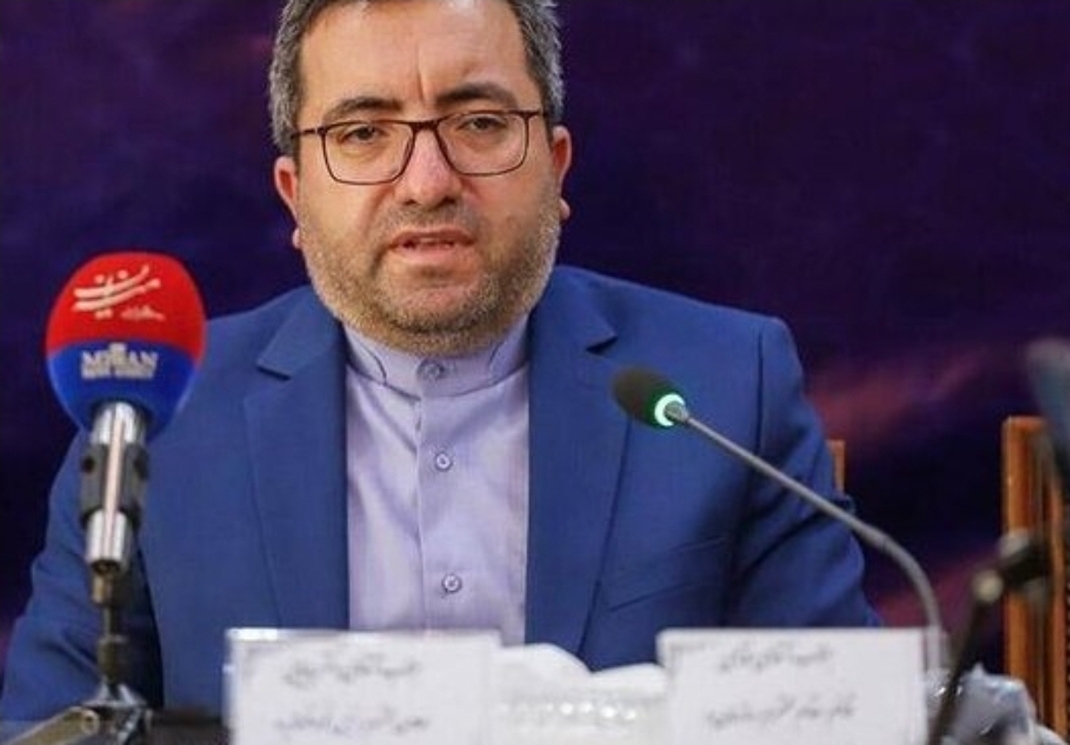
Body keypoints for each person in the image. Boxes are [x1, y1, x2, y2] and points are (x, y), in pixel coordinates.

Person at [0, 0, 876, 721]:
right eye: (363, 133)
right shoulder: (159, 416)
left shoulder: (726, 388)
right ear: (295, 194)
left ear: (555, 167)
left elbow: (835, 719)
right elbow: (54, 723)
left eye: (479, 122)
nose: (426, 182)